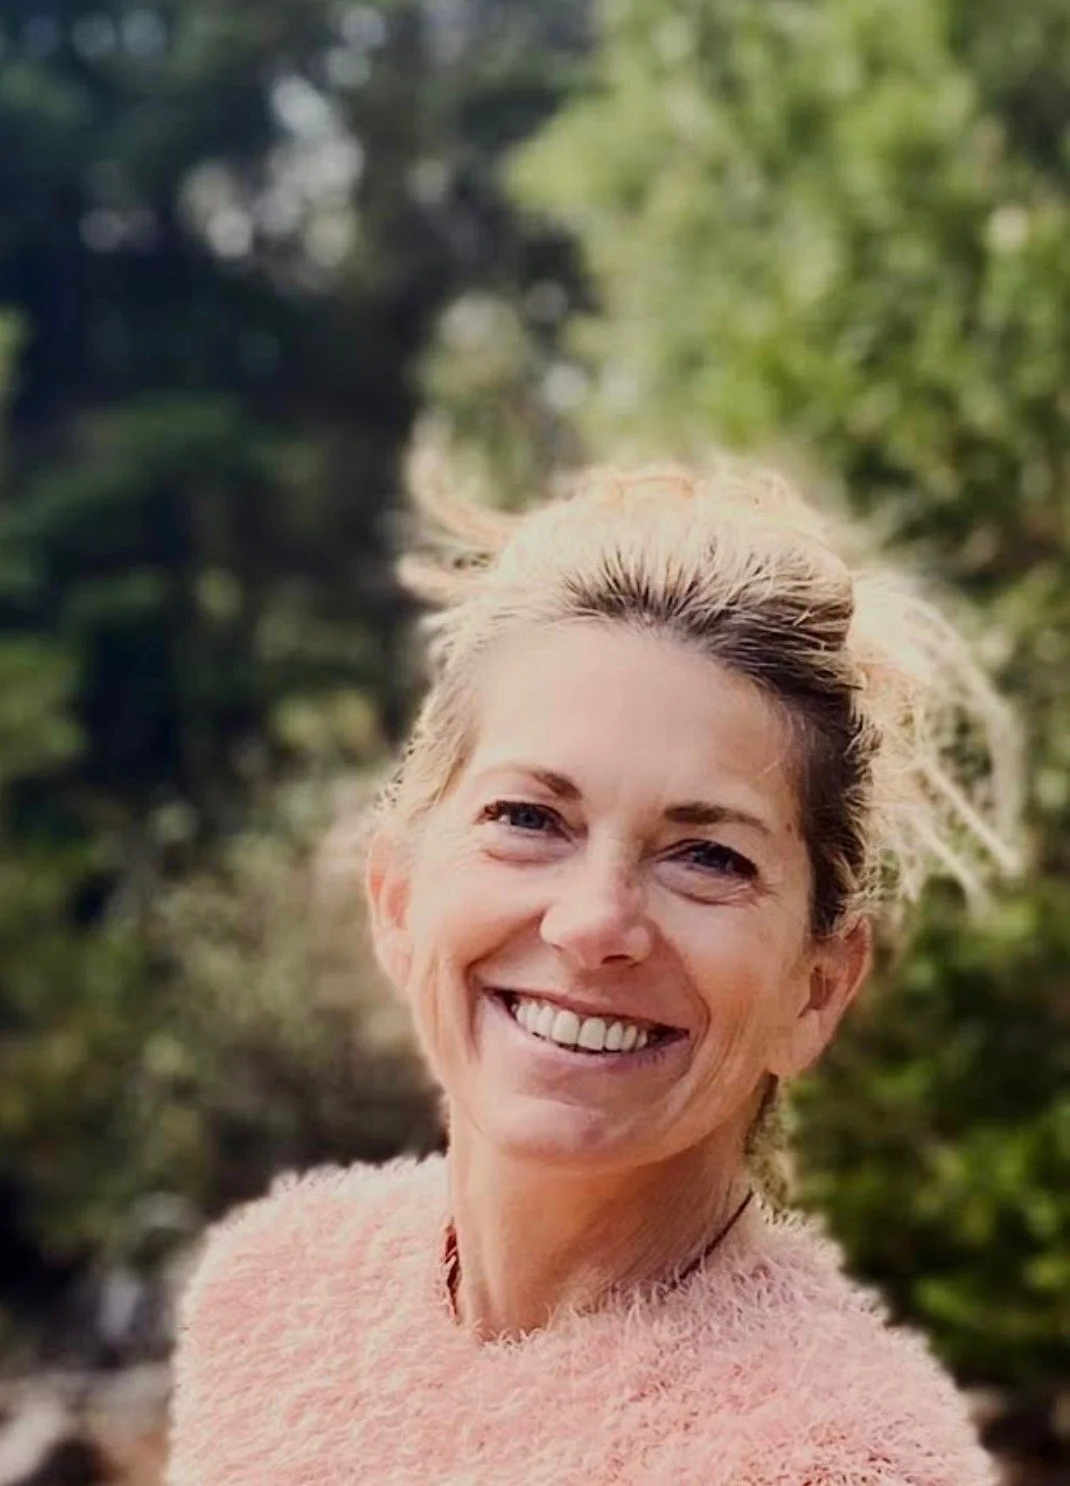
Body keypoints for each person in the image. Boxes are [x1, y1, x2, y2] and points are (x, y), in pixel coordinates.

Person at [166, 453, 1022, 1485]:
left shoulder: (832, 1462)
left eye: (708, 856)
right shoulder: (270, 1299)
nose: (592, 923)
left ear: (816, 988)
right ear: (394, 897)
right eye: (527, 818)